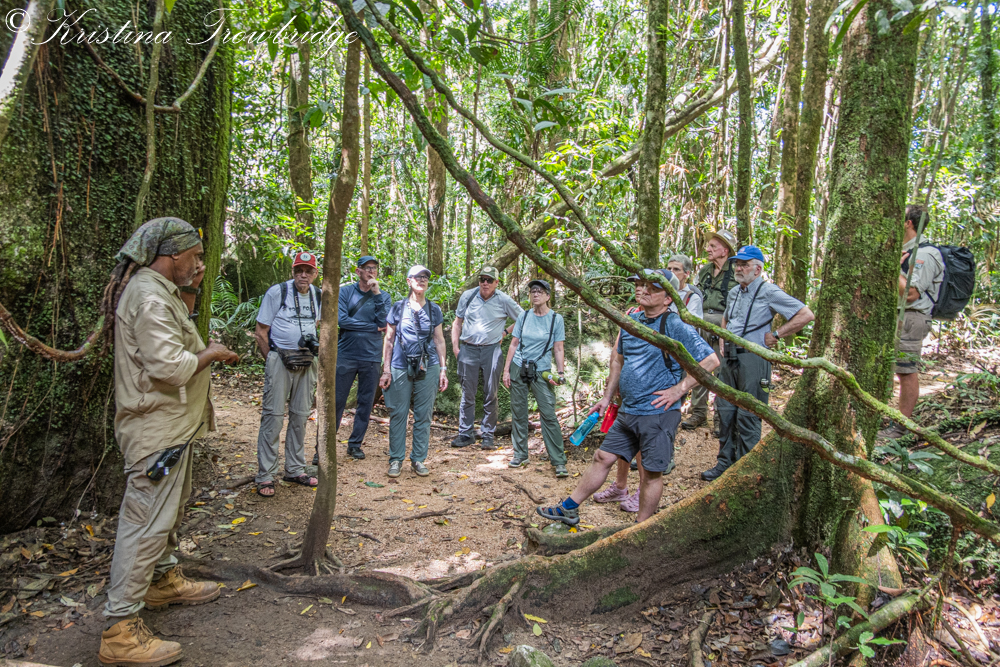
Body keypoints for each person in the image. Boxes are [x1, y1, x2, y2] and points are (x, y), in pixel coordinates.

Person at [101, 218, 239, 666]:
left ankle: (162, 580)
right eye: (195, 257)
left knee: (166, 515)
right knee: (145, 522)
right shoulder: (148, 296)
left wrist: (193, 286)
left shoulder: (161, 291)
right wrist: (212, 353)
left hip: (173, 428)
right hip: (155, 431)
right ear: (172, 253)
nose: (199, 264)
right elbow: (169, 367)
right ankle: (119, 630)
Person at [537, 269, 720, 526]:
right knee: (603, 457)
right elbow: (618, 360)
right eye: (641, 284)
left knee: (651, 473)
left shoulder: (674, 324)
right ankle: (569, 509)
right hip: (628, 409)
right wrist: (607, 398)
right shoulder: (631, 320)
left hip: (657, 412)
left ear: (668, 298)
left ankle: (641, 528)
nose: (643, 290)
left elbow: (710, 360)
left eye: (652, 287)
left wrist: (679, 390)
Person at [700, 246, 815, 481]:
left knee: (749, 413)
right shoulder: (734, 292)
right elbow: (726, 318)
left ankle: (746, 471)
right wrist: (723, 337)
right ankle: (724, 464)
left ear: (758, 269)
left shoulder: (768, 291)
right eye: (737, 264)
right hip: (729, 356)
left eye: (744, 264)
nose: (739, 268)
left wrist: (777, 334)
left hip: (753, 357)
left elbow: (805, 314)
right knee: (725, 410)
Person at [253, 251, 322, 498]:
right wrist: (272, 359)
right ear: (292, 272)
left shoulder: (318, 295)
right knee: (273, 416)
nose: (303, 275)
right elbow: (261, 331)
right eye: (298, 270)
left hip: (307, 361)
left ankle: (294, 469)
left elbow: (318, 326)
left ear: (315, 274)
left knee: (301, 416)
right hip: (280, 359)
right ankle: (266, 474)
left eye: (308, 271)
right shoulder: (278, 292)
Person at [878, 205, 944, 439]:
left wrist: (893, 268)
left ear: (908, 223)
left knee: (906, 371)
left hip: (912, 317)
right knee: (890, 367)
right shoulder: (906, 250)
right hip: (895, 316)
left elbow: (911, 294)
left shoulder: (925, 254)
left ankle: (900, 427)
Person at [380, 265, 449, 477]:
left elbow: (439, 340)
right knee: (398, 413)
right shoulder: (398, 307)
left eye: (425, 277)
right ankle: (396, 459)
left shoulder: (434, 309)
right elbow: (389, 340)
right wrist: (386, 370)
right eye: (417, 277)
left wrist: (443, 369)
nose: (421, 280)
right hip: (400, 365)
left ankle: (418, 459)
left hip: (428, 365)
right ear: (409, 281)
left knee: (424, 414)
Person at [451, 266, 524, 450]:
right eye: (482, 279)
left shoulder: (504, 300)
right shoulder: (468, 296)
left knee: (491, 393)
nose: (485, 283)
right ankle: (465, 433)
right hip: (468, 349)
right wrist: (455, 347)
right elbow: (457, 322)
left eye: (489, 280)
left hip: (492, 350)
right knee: (468, 393)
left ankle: (488, 435)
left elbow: (523, 319)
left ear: (496, 282)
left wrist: (505, 332)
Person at [502, 279, 568, 477]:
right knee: (518, 412)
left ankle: (558, 460)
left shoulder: (556, 319)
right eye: (532, 291)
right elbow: (514, 343)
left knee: (548, 413)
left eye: (540, 291)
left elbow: (558, 348)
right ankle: (520, 454)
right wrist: (506, 370)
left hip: (541, 370)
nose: (535, 294)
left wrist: (561, 373)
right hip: (519, 366)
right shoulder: (524, 316)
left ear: (548, 296)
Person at [328, 255, 392, 461]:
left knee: (365, 402)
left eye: (374, 268)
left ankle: (355, 445)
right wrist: (372, 328)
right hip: (346, 354)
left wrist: (376, 293)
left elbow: (384, 322)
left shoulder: (383, 296)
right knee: (337, 401)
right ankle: (325, 446)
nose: (371, 271)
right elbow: (343, 321)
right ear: (358, 271)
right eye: (367, 268)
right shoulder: (345, 292)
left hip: (371, 356)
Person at [684, 229, 737, 433]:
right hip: (702, 322)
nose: (708, 249)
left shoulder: (736, 271)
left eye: (713, 246)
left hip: (725, 325)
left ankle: (720, 417)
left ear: (725, 250)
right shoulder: (705, 270)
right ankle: (698, 412)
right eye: (709, 245)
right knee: (700, 367)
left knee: (723, 371)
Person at [667, 254, 704, 319]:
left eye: (676, 269)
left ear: (686, 274)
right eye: (669, 269)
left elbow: (690, 323)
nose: (671, 272)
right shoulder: (659, 291)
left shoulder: (692, 298)